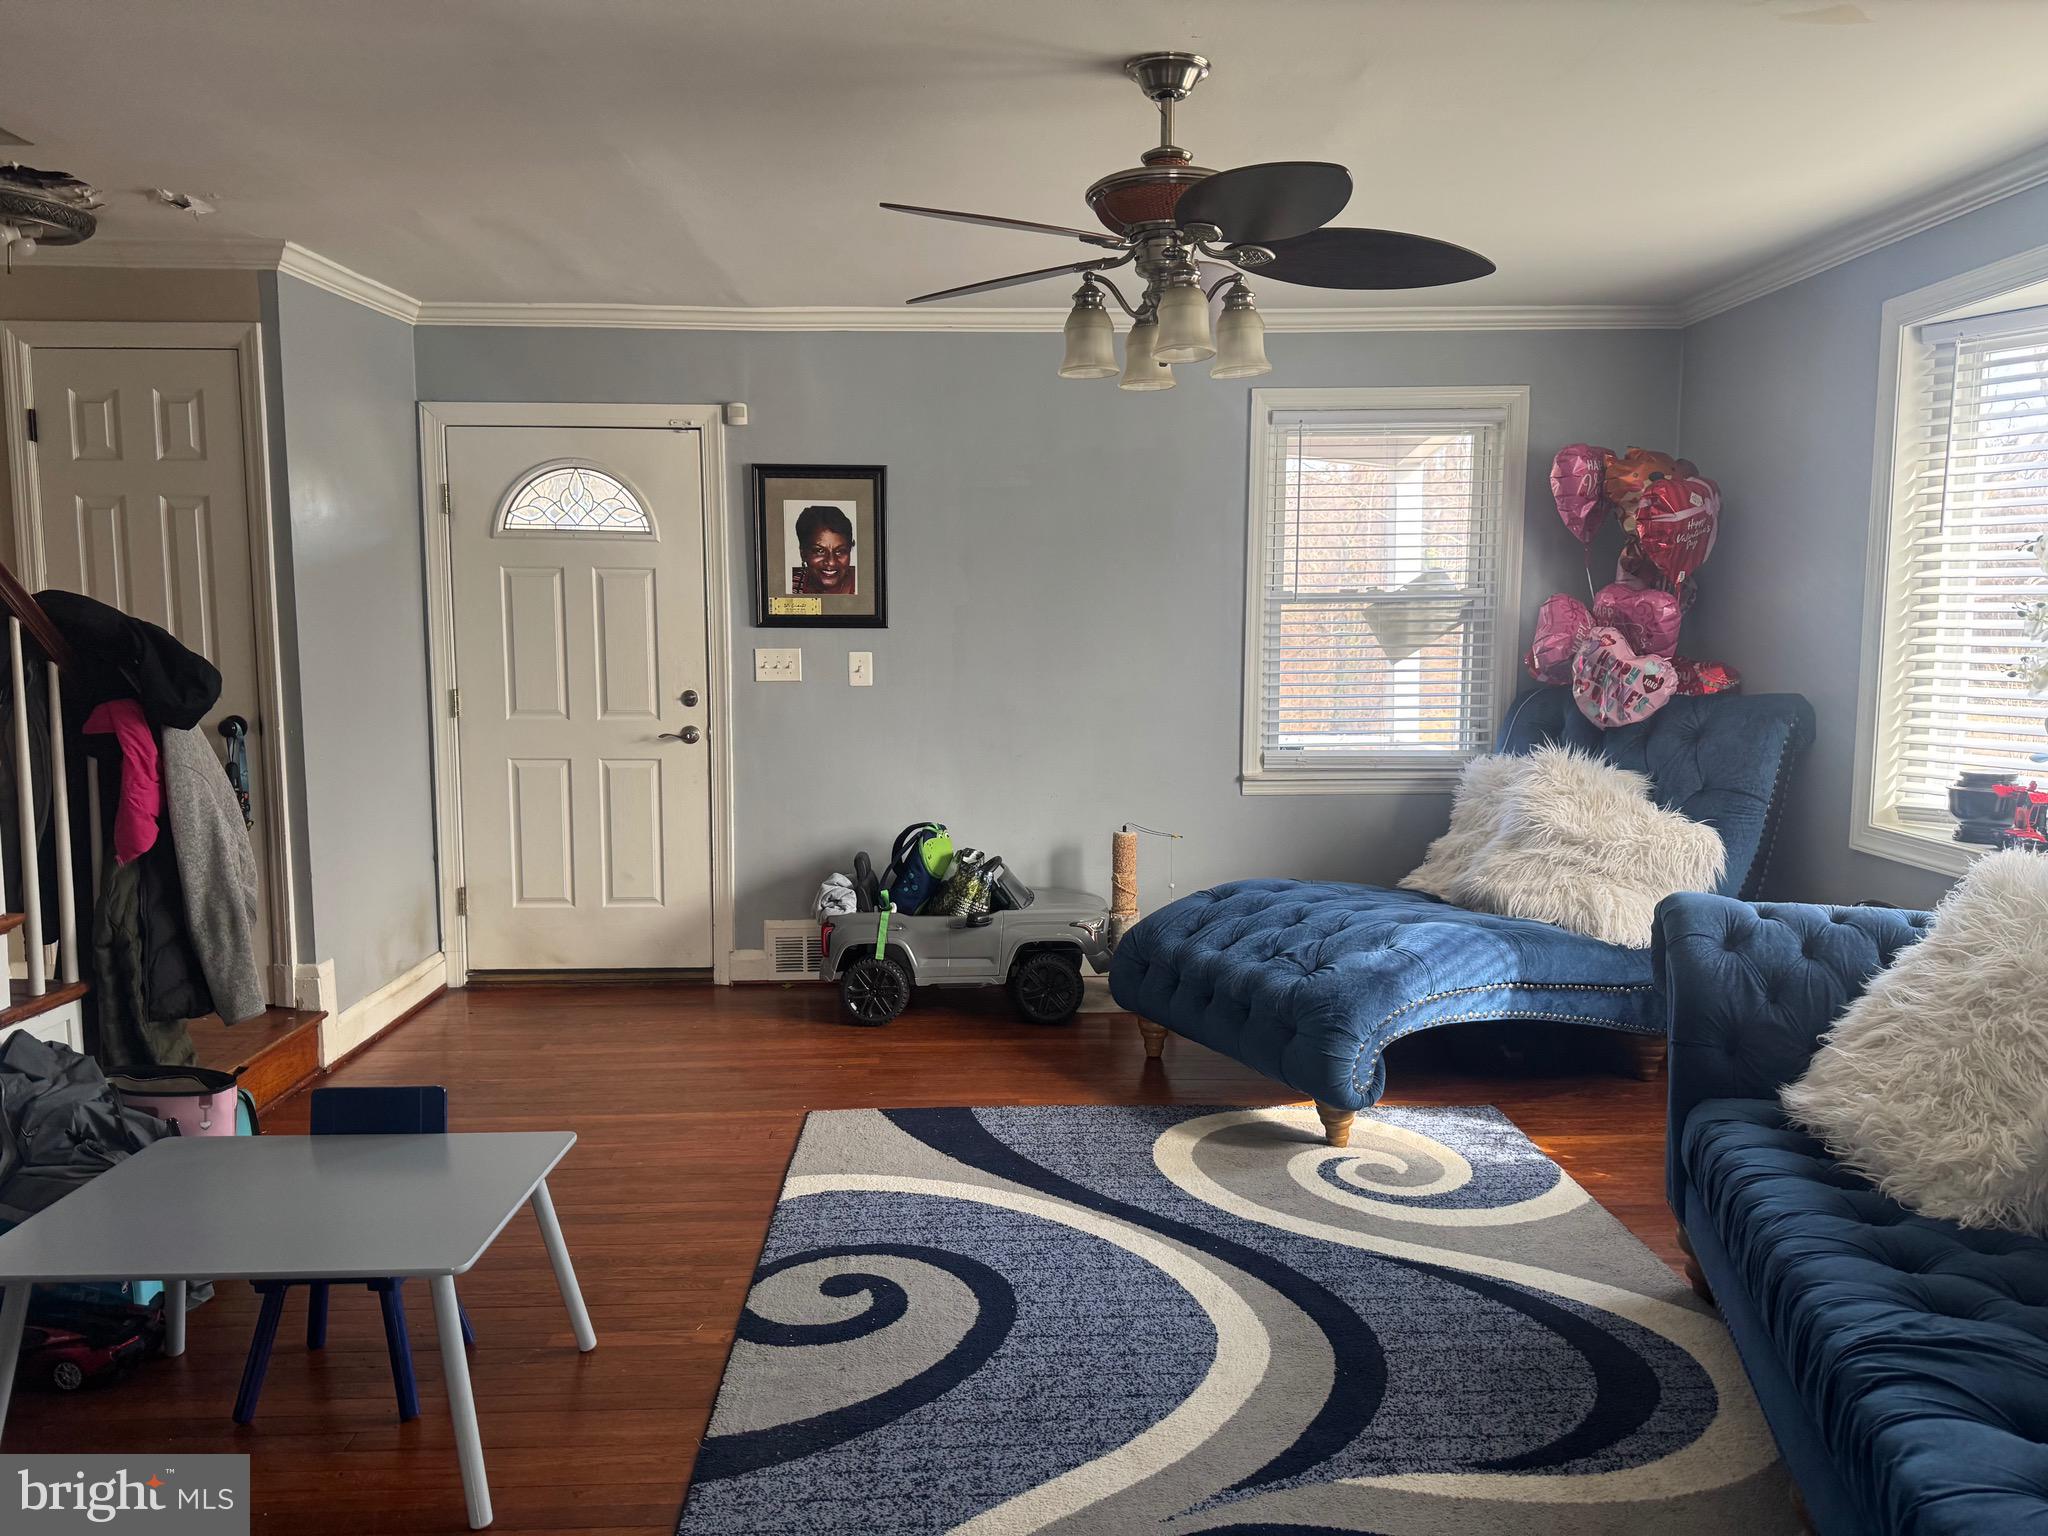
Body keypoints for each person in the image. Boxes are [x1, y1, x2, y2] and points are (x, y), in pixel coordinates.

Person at [790, 504, 857, 596]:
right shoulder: (790, 585)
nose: (831, 562)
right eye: (819, 551)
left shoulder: (866, 584)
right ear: (803, 554)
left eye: (840, 551)